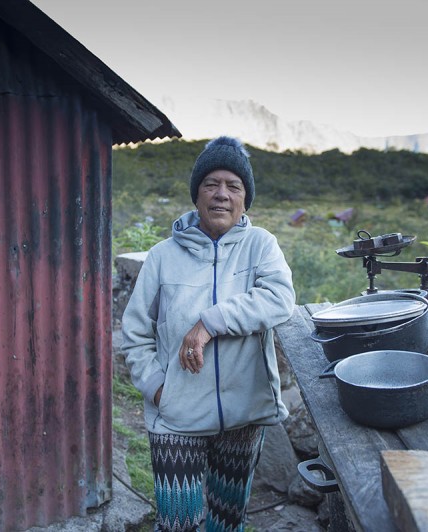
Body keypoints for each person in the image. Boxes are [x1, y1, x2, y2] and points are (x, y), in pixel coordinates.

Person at [121, 136, 296, 531]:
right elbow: (135, 332)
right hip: (176, 417)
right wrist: (160, 389)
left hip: (243, 416)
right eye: (211, 184)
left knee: (227, 522)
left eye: (233, 186)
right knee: (177, 523)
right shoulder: (163, 257)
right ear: (196, 194)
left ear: (245, 200)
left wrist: (208, 324)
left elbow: (280, 299)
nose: (221, 194)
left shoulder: (261, 246)